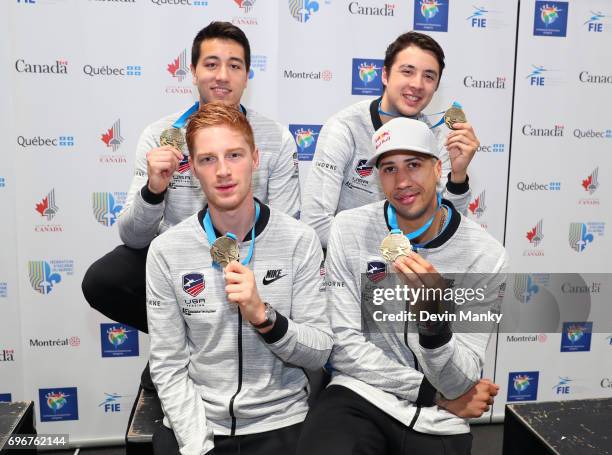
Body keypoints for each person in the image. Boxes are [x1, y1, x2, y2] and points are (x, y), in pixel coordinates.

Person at [297, 117, 507, 455]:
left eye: (414, 165)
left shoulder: (486, 255)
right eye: (389, 169)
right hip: (363, 394)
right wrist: (429, 392)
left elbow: (460, 380)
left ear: (438, 169)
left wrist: (433, 323)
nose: (403, 181)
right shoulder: (349, 229)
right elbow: (343, 345)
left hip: (440, 418)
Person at [82, 22, 299, 346]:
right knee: (104, 278)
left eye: (234, 65)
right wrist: (153, 190)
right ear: (194, 72)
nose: (222, 75)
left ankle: (221, 341)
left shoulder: (275, 137)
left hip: (249, 258)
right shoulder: (161, 135)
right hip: (176, 261)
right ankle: (188, 340)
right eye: (211, 64)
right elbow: (132, 236)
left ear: (247, 74)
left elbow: (286, 232)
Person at [147, 102, 332, 455]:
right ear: (194, 170)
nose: (222, 171)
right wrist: (198, 445)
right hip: (199, 422)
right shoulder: (167, 250)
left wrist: (265, 317)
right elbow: (168, 365)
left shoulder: (299, 240)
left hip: (281, 420)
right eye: (207, 159)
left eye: (234, 155)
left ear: (256, 159)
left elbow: (320, 349)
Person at [301, 31, 479, 248]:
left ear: (436, 86)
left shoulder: (439, 139)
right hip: (353, 267)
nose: (417, 84)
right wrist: (391, 253)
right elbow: (316, 224)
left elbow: (449, 230)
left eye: (429, 76)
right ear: (385, 75)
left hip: (415, 268)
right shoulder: (345, 128)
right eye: (407, 71)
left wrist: (458, 176)